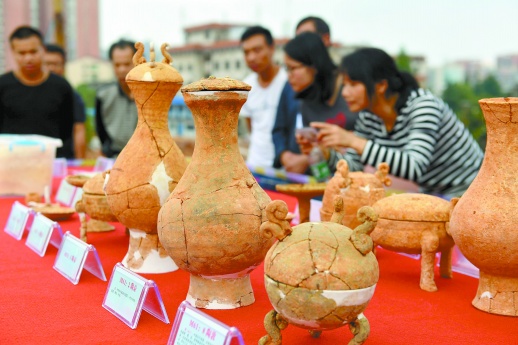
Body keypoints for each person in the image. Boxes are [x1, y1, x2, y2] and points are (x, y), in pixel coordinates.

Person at [300, 47, 484, 198]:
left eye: (353, 85)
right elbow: (355, 168)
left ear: (381, 86)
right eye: (344, 85)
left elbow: (414, 167)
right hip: (433, 195)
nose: (345, 93)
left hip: (472, 192)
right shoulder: (369, 115)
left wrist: (352, 141)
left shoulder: (423, 105)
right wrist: (325, 153)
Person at [274, 32, 357, 174]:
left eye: (292, 68)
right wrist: (312, 154)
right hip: (332, 185)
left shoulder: (351, 87)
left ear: (313, 65)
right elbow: (320, 169)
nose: (289, 75)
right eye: (286, 68)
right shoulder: (306, 102)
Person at [0, 26, 74, 158]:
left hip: (51, 162)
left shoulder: (61, 86)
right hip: (10, 161)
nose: (28, 58)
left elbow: (67, 130)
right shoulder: (3, 85)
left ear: (43, 50)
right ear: (13, 52)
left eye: (33, 51)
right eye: (22, 53)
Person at [239, 26, 287, 168]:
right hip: (256, 165)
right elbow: (251, 128)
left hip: (284, 167)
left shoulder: (289, 82)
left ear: (272, 48)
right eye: (246, 52)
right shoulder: (246, 86)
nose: (251, 57)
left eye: (257, 50)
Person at [95, 39, 138, 158]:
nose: (122, 70)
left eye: (127, 64)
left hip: (145, 156)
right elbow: (100, 130)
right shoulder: (103, 95)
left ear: (138, 62)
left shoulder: (152, 95)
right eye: (117, 65)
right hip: (114, 157)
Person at [44, 44, 87, 159]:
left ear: (63, 67)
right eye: (47, 64)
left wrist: (80, 163)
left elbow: (79, 130)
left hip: (64, 159)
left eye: (56, 64)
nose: (52, 68)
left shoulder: (72, 96)